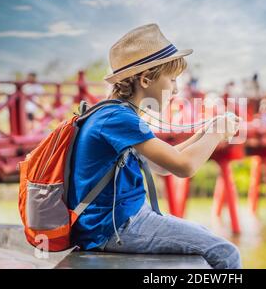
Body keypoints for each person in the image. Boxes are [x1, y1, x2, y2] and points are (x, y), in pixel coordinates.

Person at [68, 24, 242, 269]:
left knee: (204, 235)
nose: (176, 89)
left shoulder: (115, 113)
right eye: (171, 80)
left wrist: (205, 132)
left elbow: (162, 165)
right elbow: (184, 167)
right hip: (116, 226)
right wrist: (218, 131)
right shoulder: (119, 119)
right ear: (146, 79)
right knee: (226, 253)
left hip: (117, 221)